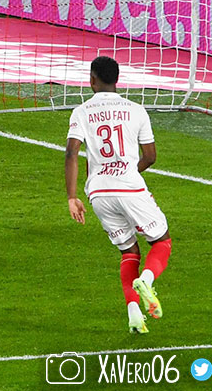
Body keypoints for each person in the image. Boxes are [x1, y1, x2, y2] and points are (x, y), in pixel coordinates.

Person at [64, 56, 172, 334]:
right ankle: (146, 280)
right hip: (129, 187)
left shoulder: (81, 112)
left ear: (92, 80)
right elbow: (151, 156)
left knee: (129, 251)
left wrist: (72, 197)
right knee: (161, 242)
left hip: (98, 193)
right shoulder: (137, 110)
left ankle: (134, 314)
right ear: (117, 80)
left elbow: (72, 152)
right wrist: (127, 172)